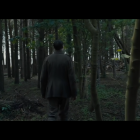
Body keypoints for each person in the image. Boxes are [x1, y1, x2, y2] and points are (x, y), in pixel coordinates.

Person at [40, 40, 77, 121]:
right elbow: (72, 78)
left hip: (52, 90)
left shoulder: (48, 59)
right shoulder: (67, 59)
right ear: (62, 47)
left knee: (52, 114)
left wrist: (43, 92)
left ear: (54, 47)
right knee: (64, 114)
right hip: (65, 91)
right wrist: (74, 93)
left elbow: (43, 78)